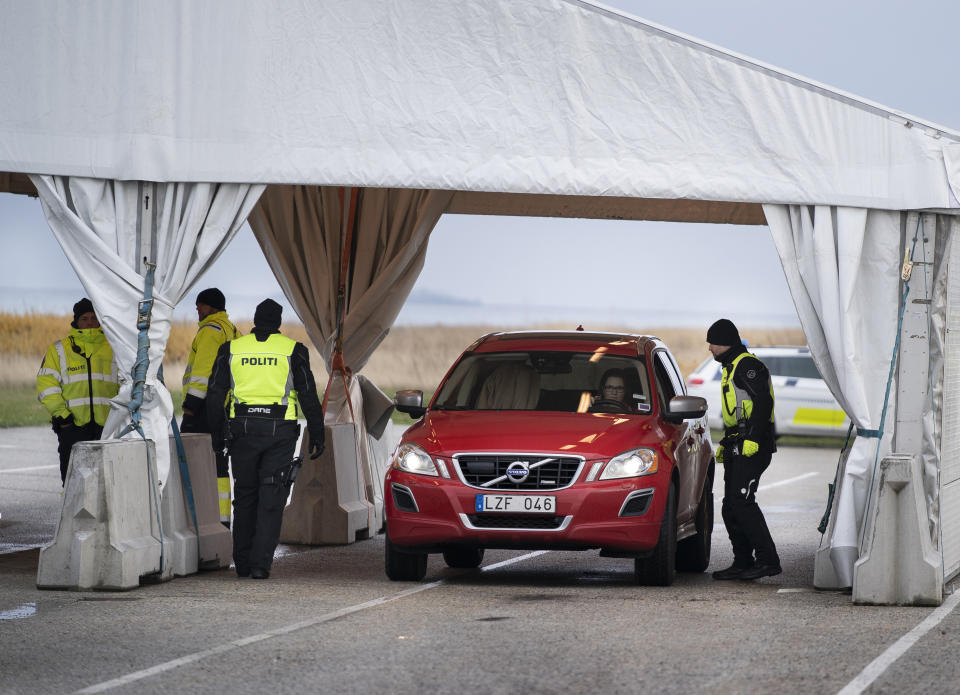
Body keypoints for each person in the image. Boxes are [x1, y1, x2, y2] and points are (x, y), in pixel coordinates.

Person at [207, 299, 325, 579]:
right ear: (278, 323)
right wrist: (317, 433)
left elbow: (214, 397)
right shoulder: (293, 351)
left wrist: (217, 436)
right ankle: (260, 565)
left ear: (255, 321)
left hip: (241, 432)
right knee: (271, 498)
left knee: (245, 495)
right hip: (279, 434)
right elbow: (308, 395)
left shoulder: (232, 349)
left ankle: (243, 564)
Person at [706, 318, 781, 581]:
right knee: (730, 506)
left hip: (754, 446)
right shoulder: (731, 365)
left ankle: (767, 561)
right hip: (739, 444)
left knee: (742, 503)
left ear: (724, 342)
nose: (709, 348)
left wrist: (754, 438)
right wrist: (728, 443)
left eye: (712, 342)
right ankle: (743, 561)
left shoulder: (746, 365)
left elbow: (762, 402)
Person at [36, 298, 119, 484]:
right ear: (76, 321)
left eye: (93, 317)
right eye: (84, 318)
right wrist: (63, 418)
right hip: (72, 428)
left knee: (107, 482)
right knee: (74, 482)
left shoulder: (113, 348)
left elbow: (124, 385)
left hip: (107, 429)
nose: (90, 322)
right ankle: (71, 514)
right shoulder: (59, 350)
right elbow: (46, 385)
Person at [180, 287, 240, 526]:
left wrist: (191, 406)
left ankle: (196, 519)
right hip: (224, 408)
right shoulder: (232, 329)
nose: (197, 309)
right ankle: (222, 520)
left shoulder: (210, 330)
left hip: (203, 409)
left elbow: (203, 372)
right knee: (219, 465)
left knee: (193, 462)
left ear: (212, 307)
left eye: (201, 305)